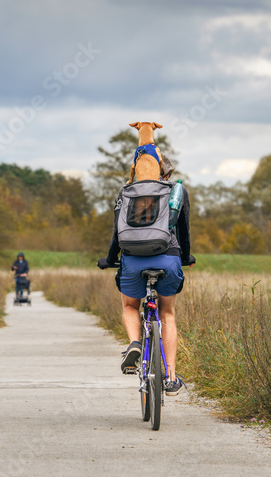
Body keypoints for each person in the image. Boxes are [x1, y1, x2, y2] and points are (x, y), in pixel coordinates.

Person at [98, 155, 195, 396]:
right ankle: (171, 377)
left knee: (131, 306)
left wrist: (110, 260)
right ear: (167, 173)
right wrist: (186, 256)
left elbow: (116, 232)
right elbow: (183, 229)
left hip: (132, 259)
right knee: (167, 313)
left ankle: (134, 344)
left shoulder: (126, 191)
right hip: (168, 257)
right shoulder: (176, 191)